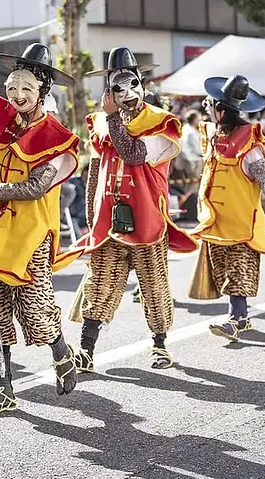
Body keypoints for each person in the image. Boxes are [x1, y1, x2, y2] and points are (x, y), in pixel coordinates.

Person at [0, 17, 81, 418]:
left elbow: (35, 188)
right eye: (13, 87)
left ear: (42, 91)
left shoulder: (56, 138)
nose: (17, 94)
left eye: (27, 88)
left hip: (30, 237)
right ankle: (3, 390)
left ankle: (60, 351)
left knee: (37, 314)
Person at [72, 47, 198, 371]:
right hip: (110, 222)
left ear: (143, 85)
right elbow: (95, 172)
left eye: (131, 85)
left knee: (154, 285)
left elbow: (133, 154)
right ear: (108, 91)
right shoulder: (102, 123)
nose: (125, 94)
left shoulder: (160, 124)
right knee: (100, 284)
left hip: (147, 221)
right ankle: (86, 349)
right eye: (117, 87)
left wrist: (113, 117)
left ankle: (160, 345)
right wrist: (91, 218)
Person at [191, 75, 265, 341]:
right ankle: (241, 319)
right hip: (215, 220)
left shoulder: (248, 143)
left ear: (221, 111)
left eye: (210, 105)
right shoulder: (212, 134)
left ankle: (235, 319)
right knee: (223, 270)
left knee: (238, 270)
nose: (206, 109)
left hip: (242, 221)